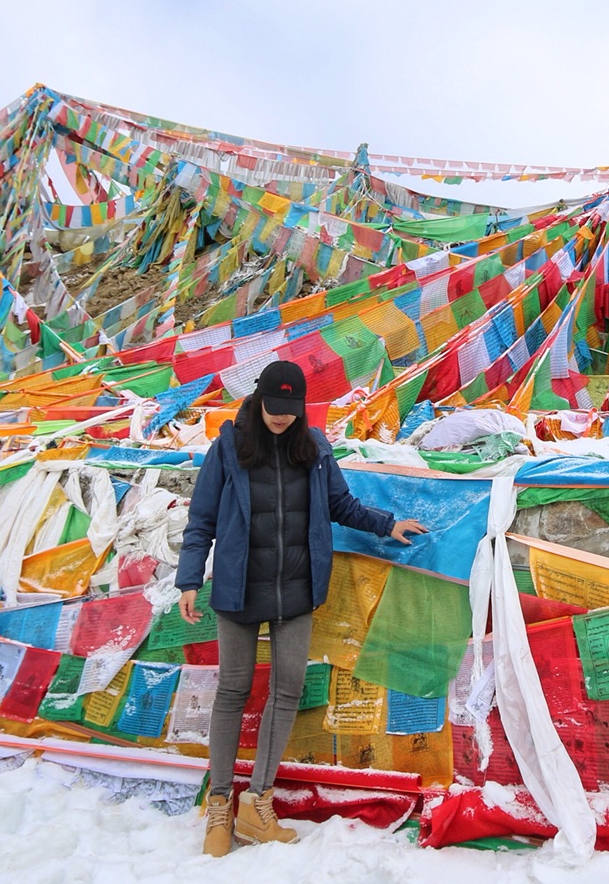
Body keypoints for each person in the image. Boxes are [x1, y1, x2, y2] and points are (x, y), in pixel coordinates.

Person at [176, 360, 427, 855]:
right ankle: (222, 804)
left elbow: (341, 505)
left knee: (288, 688)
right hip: (238, 586)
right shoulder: (228, 447)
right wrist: (189, 578)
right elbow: (200, 518)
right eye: (275, 408)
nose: (281, 419)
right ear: (259, 399)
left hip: (295, 586)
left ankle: (259, 801)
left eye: (292, 411)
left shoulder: (313, 449)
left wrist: (387, 524)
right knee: (233, 690)